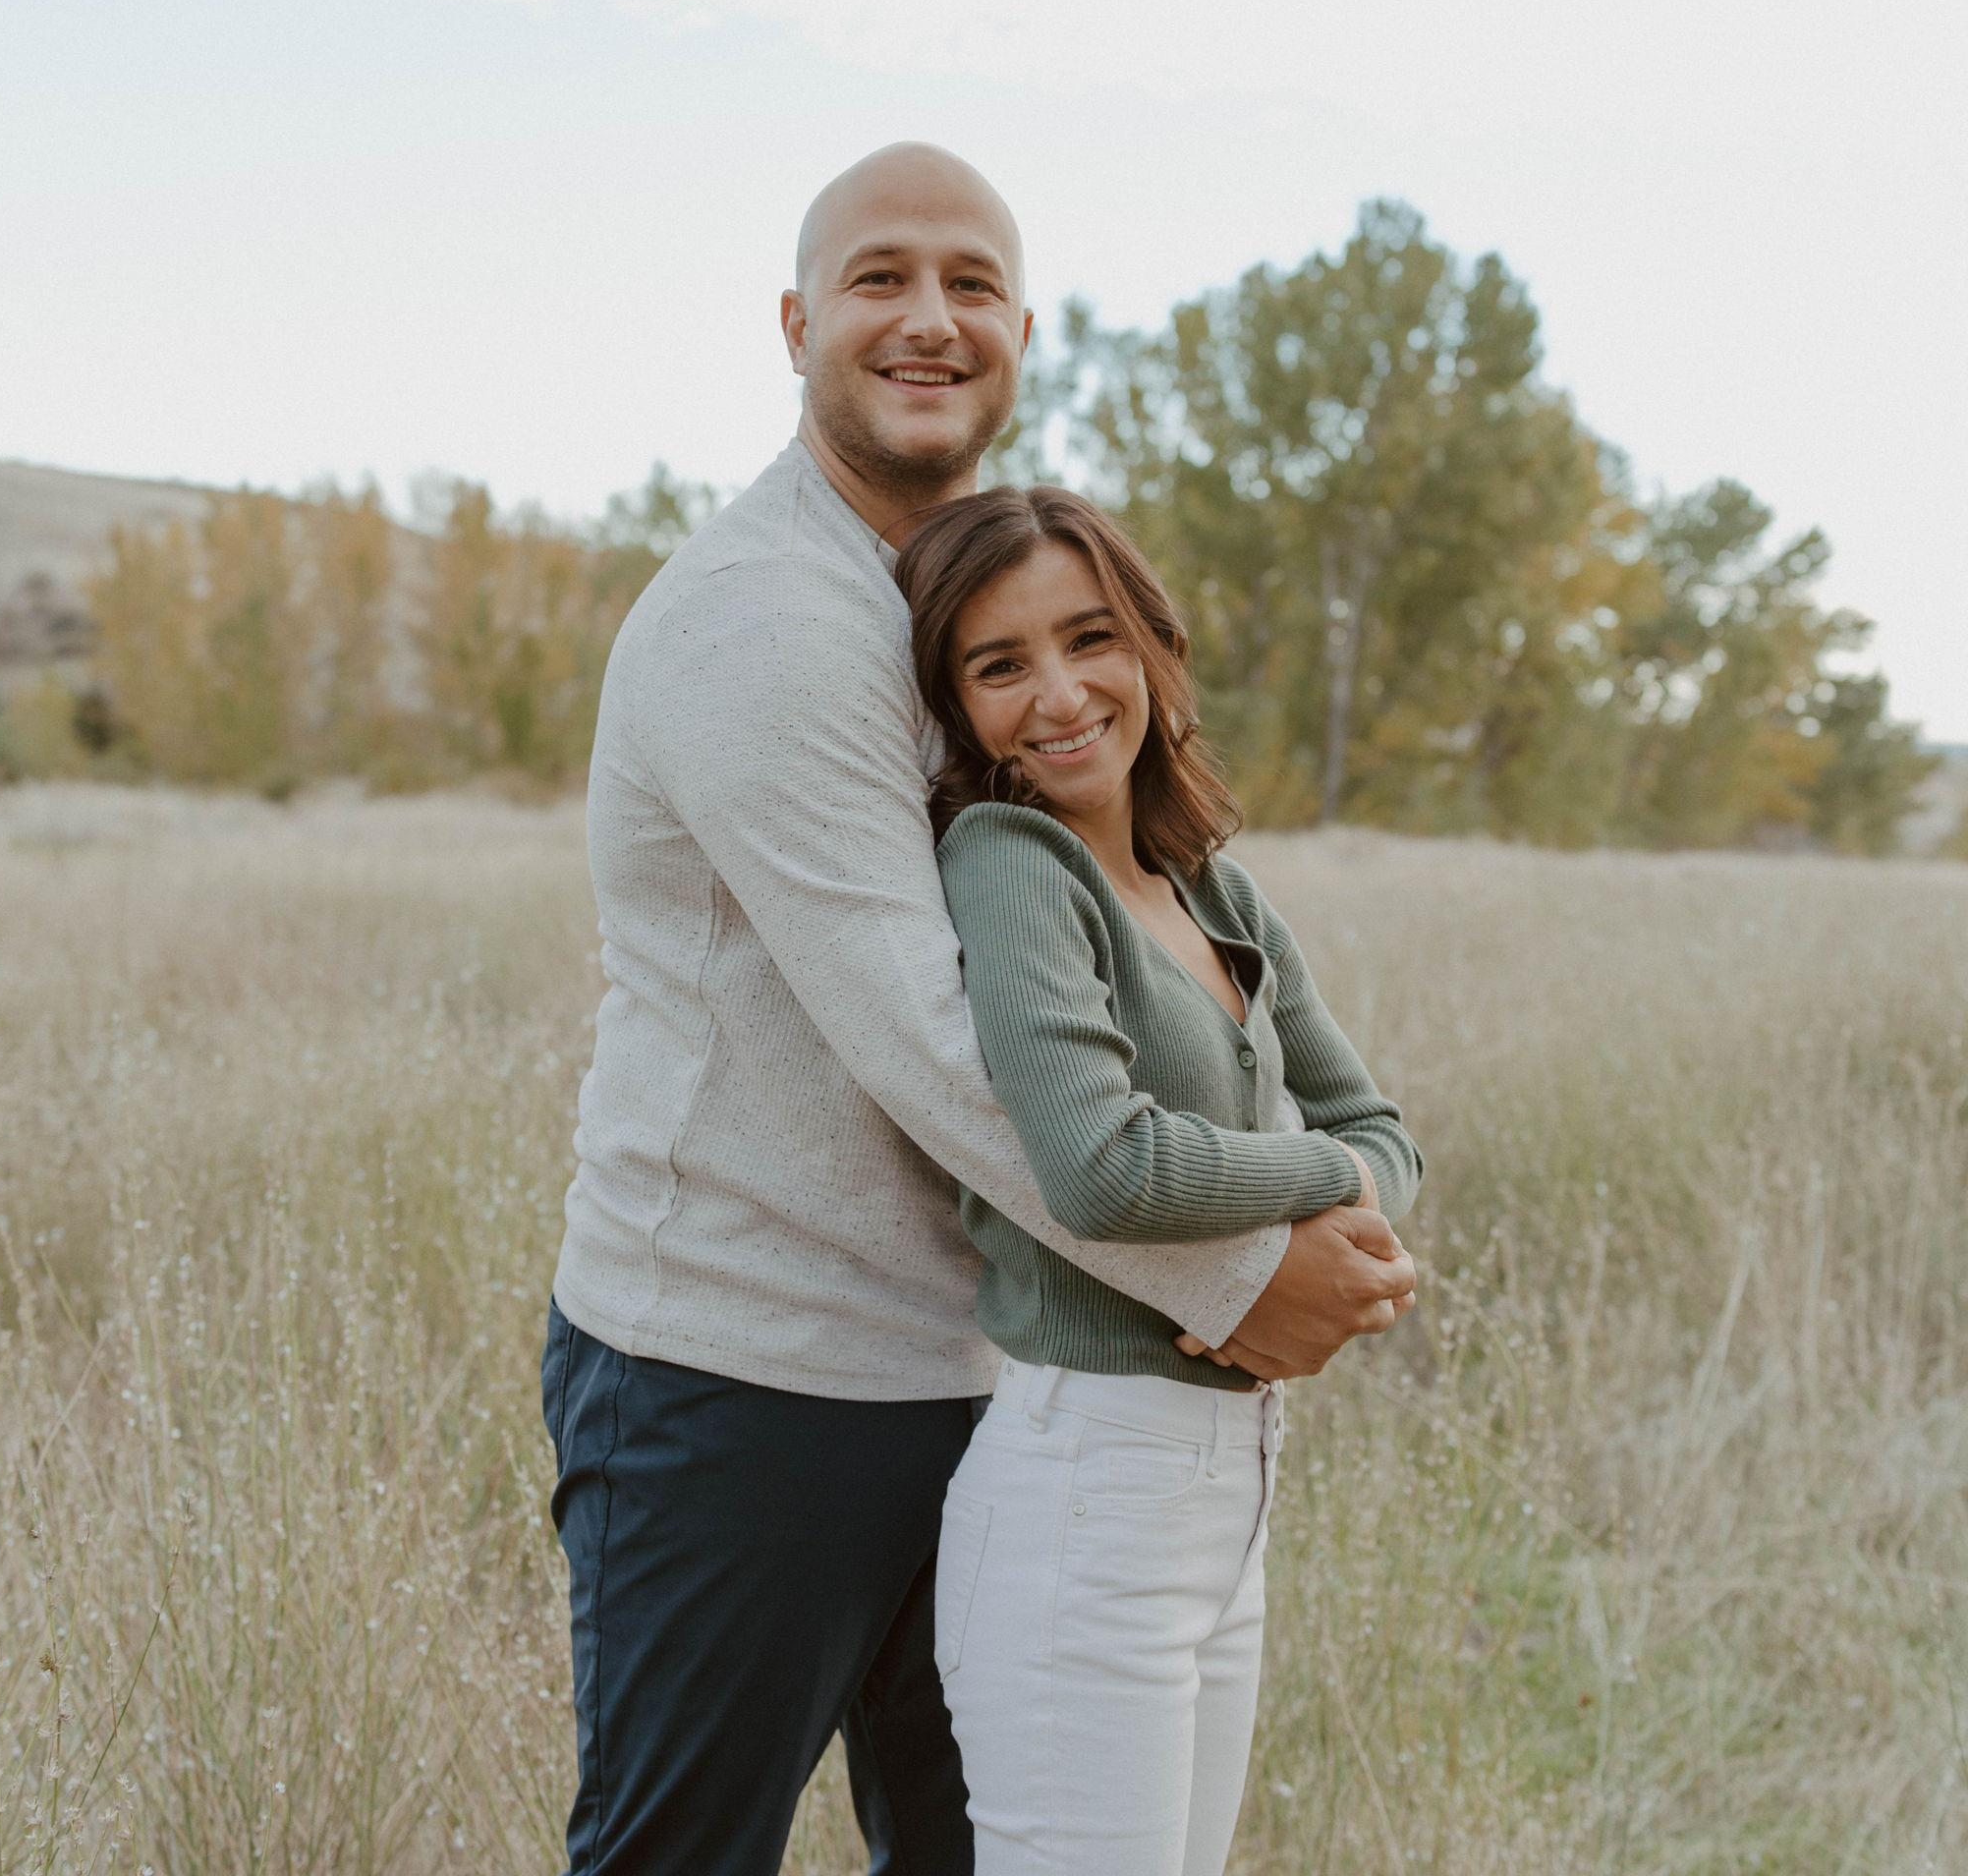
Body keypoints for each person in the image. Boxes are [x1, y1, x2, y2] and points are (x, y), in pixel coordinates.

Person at [539, 141, 1420, 1875]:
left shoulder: (978, 604)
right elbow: (937, 1044)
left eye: (972, 285)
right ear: (796, 325)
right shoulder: (762, 623)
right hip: (744, 1376)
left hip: (991, 1375)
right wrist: (1245, 1278)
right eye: (878, 278)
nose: (929, 318)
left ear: (1026, 330)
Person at [893, 486, 1422, 1874]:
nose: (1061, 696)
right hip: (1089, 1493)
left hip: (1226, 1492)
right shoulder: (1012, 862)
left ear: (1151, 645)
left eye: (1090, 639)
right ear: (957, 706)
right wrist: (1323, 1183)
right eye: (1000, 665)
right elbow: (1101, 1166)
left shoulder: (1213, 891)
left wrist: (1346, 1184)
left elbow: (1387, 1129)